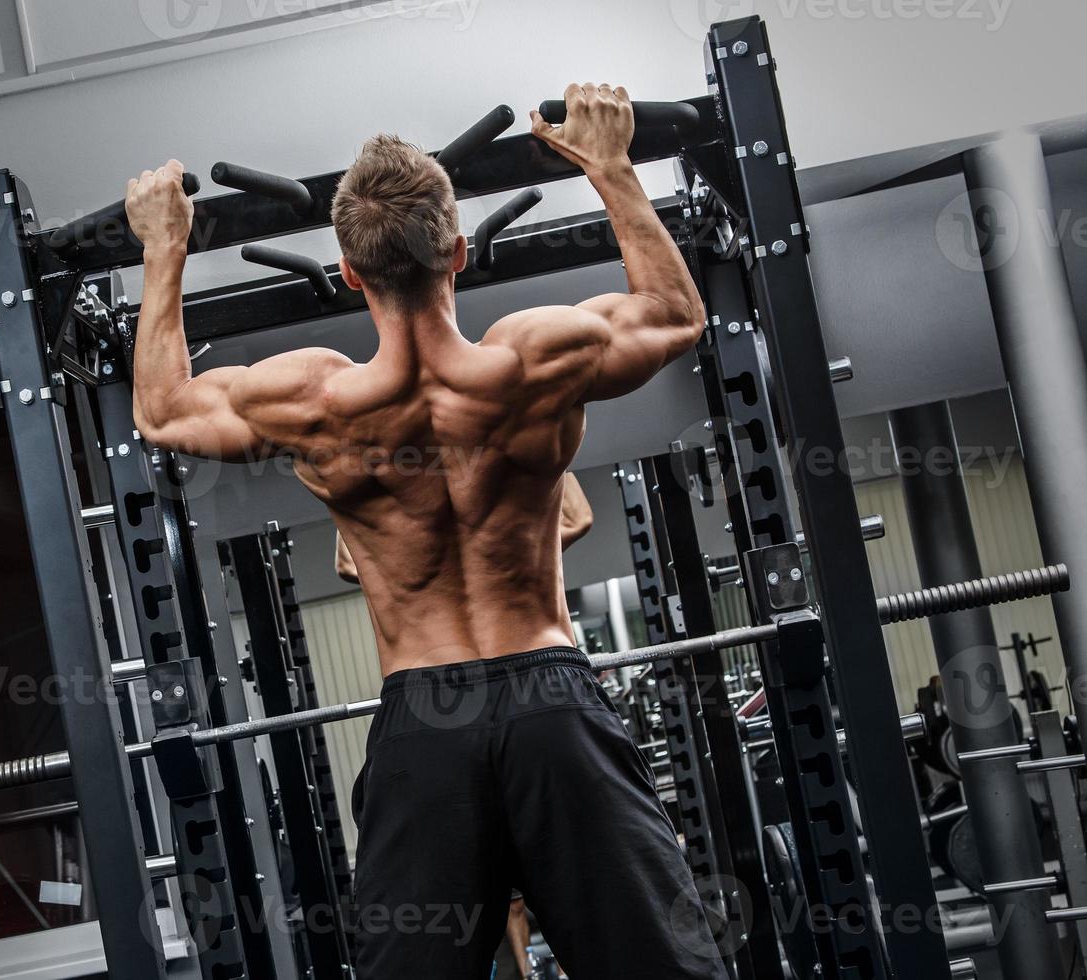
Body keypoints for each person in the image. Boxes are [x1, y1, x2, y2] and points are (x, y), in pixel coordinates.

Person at [126, 82, 725, 979]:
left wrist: (164, 250)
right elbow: (676, 314)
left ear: (351, 270)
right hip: (551, 703)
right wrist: (611, 169)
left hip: (426, 723)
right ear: (458, 252)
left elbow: (164, 411)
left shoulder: (315, 398)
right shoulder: (532, 357)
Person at [334, 472, 592, 583]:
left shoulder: (420, 568)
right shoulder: (505, 553)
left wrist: (347, 490)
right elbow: (577, 521)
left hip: (443, 667)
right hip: (520, 654)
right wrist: (551, 451)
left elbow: (348, 566)